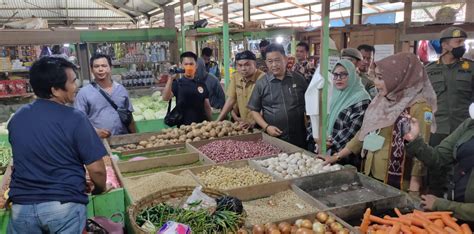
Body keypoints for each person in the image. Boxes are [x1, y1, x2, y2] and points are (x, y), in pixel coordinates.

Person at [7, 57, 107, 233]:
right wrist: (99, 188)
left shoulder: (16, 119)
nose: (76, 86)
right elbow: (97, 170)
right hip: (64, 207)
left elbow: (24, 159)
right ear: (55, 90)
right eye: (73, 82)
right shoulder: (75, 118)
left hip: (22, 208)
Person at [320, 53, 437, 194]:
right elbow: (363, 133)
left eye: (381, 78)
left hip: (398, 180)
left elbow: (421, 150)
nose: (375, 82)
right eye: (375, 77)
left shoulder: (418, 106)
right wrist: (337, 156)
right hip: (370, 171)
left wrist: (415, 186)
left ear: (399, 77)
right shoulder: (382, 99)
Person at [403, 105, 474, 222]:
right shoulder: (469, 124)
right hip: (455, 218)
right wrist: (415, 140)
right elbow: (439, 158)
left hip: (461, 213)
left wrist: (442, 205)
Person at [425, 26, 474, 197]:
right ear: (445, 45)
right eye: (458, 42)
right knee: (436, 173)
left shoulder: (470, 68)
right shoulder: (429, 70)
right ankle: (435, 208)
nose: (463, 46)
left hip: (464, 131)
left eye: (463, 42)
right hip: (437, 130)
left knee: (463, 174)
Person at [248, 43, 308, 148]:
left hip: (299, 137)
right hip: (274, 138)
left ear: (285, 59)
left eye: (277, 60)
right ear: (266, 62)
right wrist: (266, 127)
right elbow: (254, 109)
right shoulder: (261, 83)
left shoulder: (299, 79)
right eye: (270, 61)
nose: (274, 65)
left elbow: (311, 105)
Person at [75, 54, 136, 138]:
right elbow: (78, 121)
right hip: (98, 142)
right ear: (91, 70)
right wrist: (96, 132)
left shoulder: (121, 90)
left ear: (110, 68)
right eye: (96, 66)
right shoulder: (84, 93)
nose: (100, 69)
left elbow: (129, 116)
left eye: (104, 66)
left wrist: (134, 136)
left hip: (122, 140)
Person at [325, 59, 371, 168]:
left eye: (343, 75)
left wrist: (329, 144)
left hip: (346, 157)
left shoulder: (361, 99)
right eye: (335, 75)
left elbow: (352, 131)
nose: (338, 78)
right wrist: (319, 140)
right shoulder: (331, 94)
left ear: (352, 76)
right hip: (325, 152)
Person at [162, 51, 212, 125]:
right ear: (181, 65)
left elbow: (207, 106)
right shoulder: (177, 83)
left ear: (196, 65)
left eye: (191, 64)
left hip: (201, 127)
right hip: (183, 128)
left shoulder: (201, 84)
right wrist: (170, 79)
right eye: (186, 64)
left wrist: (211, 122)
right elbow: (165, 98)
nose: (189, 66)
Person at [217, 50, 265, 127]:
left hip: (260, 125)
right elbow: (231, 100)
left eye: (247, 65)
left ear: (255, 64)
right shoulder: (236, 77)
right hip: (242, 124)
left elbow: (265, 106)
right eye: (240, 65)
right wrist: (217, 121)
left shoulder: (263, 79)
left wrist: (253, 122)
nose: (243, 69)